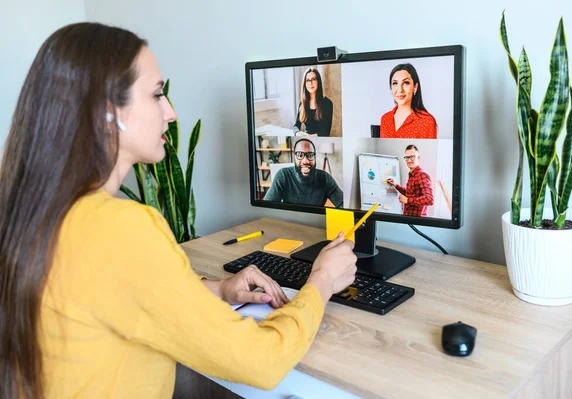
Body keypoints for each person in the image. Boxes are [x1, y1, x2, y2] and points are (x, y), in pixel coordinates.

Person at [0, 23, 358, 399]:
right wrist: (322, 280)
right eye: (157, 95)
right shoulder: (119, 228)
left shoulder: (35, 210)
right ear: (108, 113)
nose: (170, 112)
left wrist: (218, 290)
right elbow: (262, 361)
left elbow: (115, 295)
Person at [264, 139, 343, 207]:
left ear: (315, 157)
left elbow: (343, 204)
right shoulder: (283, 175)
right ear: (294, 157)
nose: (305, 161)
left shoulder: (325, 178)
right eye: (300, 155)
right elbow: (267, 207)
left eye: (310, 155)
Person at [379, 63, 437, 139]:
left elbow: (429, 151)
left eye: (406, 83)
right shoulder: (385, 119)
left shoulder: (426, 121)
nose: (400, 90)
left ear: (415, 87)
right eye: (395, 83)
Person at [386, 145, 434, 216]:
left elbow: (429, 199)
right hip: (409, 218)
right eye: (407, 157)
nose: (409, 160)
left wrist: (407, 200)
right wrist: (395, 185)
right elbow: (410, 194)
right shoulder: (412, 174)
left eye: (412, 157)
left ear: (418, 157)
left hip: (417, 221)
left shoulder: (422, 174)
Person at [292, 67, 333, 137]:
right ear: (304, 84)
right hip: (306, 142)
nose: (310, 83)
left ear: (318, 81)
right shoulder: (302, 103)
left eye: (313, 79)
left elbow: (326, 131)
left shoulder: (327, 103)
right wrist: (298, 133)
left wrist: (311, 136)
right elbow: (295, 126)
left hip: (321, 142)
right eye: (307, 80)